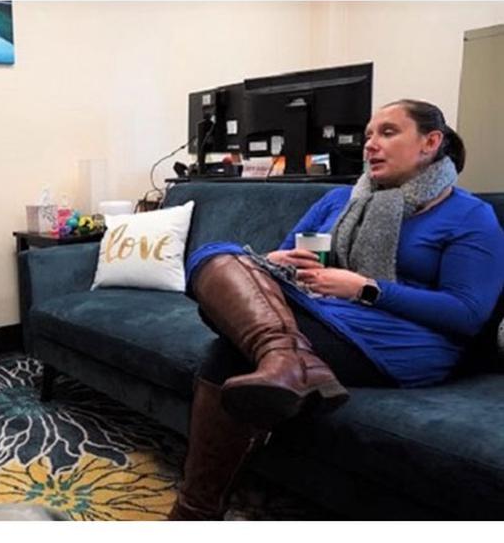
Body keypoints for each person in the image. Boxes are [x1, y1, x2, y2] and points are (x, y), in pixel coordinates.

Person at [168, 99, 504, 520]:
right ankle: (287, 359)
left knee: (229, 352)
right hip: (319, 311)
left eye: (388, 133)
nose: (370, 146)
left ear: (430, 142)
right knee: (219, 255)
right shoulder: (338, 200)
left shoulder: (470, 215)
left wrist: (365, 289)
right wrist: (278, 261)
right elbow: (281, 255)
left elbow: (469, 313)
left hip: (403, 339)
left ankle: (193, 513)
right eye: (367, 136)